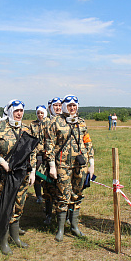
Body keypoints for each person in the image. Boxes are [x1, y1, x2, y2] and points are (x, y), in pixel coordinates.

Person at [0, 99, 37, 255]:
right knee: (5, 206)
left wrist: (33, 170)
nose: (19, 114)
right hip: (4, 175)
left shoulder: (27, 129)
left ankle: (16, 238)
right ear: (9, 112)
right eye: (16, 111)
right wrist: (1, 161)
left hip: (22, 175)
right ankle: (3, 240)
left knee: (19, 204)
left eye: (21, 111)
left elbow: (32, 151)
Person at [46, 94, 94, 241]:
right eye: (69, 105)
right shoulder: (55, 122)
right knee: (62, 196)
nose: (72, 108)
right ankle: (60, 229)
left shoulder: (81, 122)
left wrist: (91, 162)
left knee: (77, 195)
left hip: (80, 165)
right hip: (63, 166)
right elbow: (50, 145)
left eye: (74, 105)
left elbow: (88, 142)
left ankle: (74, 227)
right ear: (65, 106)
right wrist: (52, 165)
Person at [43, 97, 63, 225]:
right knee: (49, 189)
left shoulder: (65, 121)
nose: (58, 108)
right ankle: (49, 214)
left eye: (60, 105)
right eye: (55, 105)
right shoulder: (45, 122)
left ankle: (63, 216)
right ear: (50, 107)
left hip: (63, 162)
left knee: (63, 189)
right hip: (47, 162)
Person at [30, 105, 49, 204]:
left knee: (46, 176)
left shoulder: (49, 123)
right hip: (36, 154)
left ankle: (47, 196)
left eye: (41, 113)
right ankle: (38, 196)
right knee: (37, 176)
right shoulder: (33, 124)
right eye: (38, 113)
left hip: (47, 154)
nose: (40, 115)